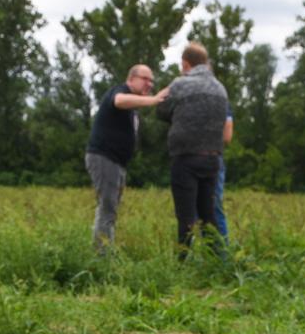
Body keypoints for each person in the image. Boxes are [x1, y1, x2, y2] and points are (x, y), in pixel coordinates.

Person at [156, 42, 228, 255]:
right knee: (209, 215)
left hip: (185, 158)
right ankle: (215, 260)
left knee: (186, 216)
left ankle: (181, 264)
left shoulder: (180, 84)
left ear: (185, 64)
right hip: (213, 159)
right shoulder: (220, 88)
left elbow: (161, 110)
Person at [86, 66, 168, 249]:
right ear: (131, 79)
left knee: (110, 209)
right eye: (145, 79)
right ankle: (101, 257)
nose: (150, 84)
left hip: (116, 162)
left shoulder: (133, 106)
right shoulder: (120, 91)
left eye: (152, 80)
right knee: (108, 209)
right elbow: (119, 100)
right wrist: (153, 100)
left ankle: (103, 249)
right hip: (104, 157)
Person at [215, 103, 233, 242]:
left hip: (211, 158)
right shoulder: (220, 98)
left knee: (215, 208)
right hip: (212, 156)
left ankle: (222, 257)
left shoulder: (223, 101)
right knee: (215, 208)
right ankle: (222, 256)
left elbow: (227, 136)